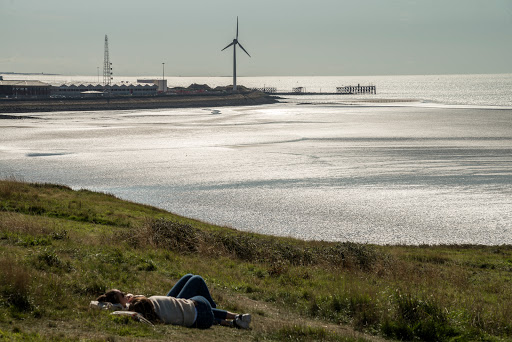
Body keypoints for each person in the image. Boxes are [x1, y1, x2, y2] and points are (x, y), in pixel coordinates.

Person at [96, 274, 251, 329]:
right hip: (178, 307)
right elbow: (113, 308)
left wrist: (130, 298)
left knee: (188, 276)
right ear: (119, 301)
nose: (125, 294)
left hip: (167, 307)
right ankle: (216, 309)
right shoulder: (132, 308)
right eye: (122, 294)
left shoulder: (132, 305)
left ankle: (224, 317)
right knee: (196, 280)